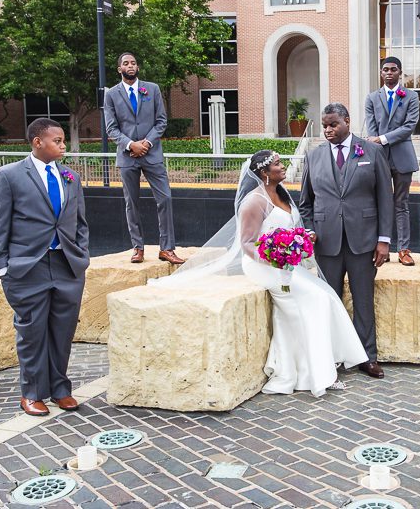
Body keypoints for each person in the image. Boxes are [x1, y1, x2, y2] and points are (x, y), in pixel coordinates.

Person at [151, 151, 368, 397]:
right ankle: (311, 372)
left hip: (285, 265)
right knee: (314, 300)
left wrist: (301, 241)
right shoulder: (254, 201)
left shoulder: (282, 194)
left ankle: (312, 366)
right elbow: (247, 243)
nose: (283, 166)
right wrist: (276, 257)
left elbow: (290, 230)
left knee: (325, 295)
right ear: (264, 173)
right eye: (277, 164)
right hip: (263, 266)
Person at [0, 118, 90, 416]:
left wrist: (81, 256)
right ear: (37, 142)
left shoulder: (71, 176)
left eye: (62, 140)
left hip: (67, 266)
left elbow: (80, 223)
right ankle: (31, 393)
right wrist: (2, 268)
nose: (62, 145)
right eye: (56, 140)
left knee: (62, 331)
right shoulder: (9, 176)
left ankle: (60, 389)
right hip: (26, 268)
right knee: (32, 332)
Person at [299, 103, 394, 378]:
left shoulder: (372, 151)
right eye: (325, 125)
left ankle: (367, 356)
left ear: (347, 122)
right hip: (326, 242)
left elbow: (385, 200)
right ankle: (332, 356)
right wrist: (309, 231)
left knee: (364, 300)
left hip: (363, 241)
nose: (328, 130)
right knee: (330, 301)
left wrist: (384, 240)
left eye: (333, 125)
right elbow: (305, 203)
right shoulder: (313, 156)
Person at [103, 52, 184, 265]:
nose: (130, 65)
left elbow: (161, 121)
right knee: (132, 203)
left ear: (137, 67)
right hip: (127, 156)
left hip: (152, 153)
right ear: (119, 69)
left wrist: (146, 143)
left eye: (133, 62)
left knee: (165, 198)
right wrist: (131, 145)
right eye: (125, 63)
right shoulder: (111, 94)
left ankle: (167, 248)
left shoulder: (153, 89)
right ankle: (138, 248)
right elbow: (111, 128)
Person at [364, 56, 420, 266]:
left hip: (403, 158)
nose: (389, 72)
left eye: (393, 69)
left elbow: (409, 126)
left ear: (400, 72)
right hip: (379, 157)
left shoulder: (411, 96)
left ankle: (404, 249)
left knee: (401, 203)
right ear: (381, 73)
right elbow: (371, 129)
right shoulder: (371, 98)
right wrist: (377, 141)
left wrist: (382, 138)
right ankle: (382, 248)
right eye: (385, 69)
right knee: (380, 203)